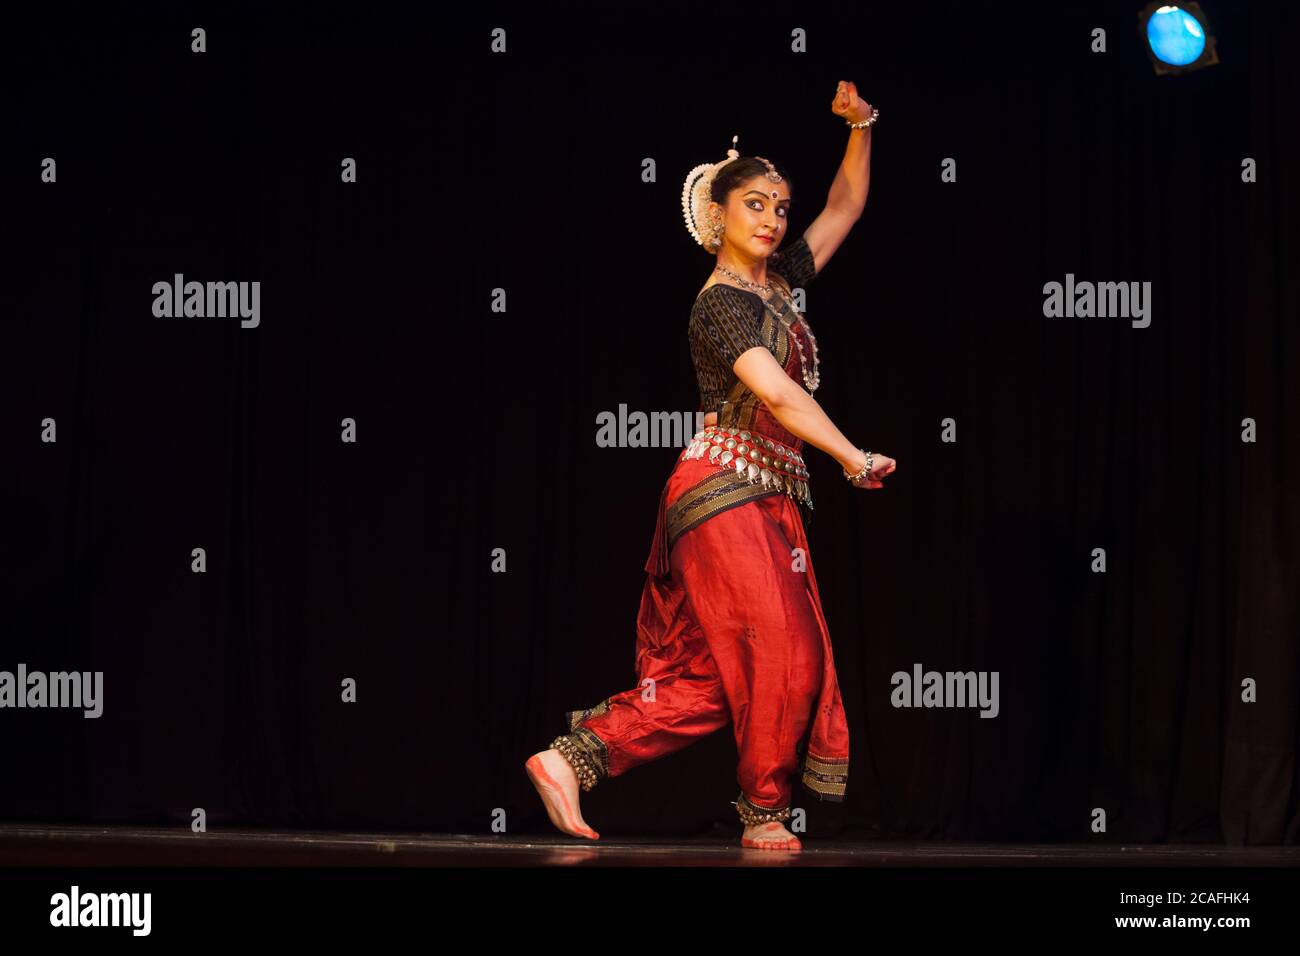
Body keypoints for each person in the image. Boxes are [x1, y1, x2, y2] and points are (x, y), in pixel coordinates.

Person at [526, 81, 897, 851]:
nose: (772, 218)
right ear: (717, 213)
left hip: (769, 498)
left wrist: (861, 125)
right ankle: (763, 808)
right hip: (723, 490)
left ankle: (572, 759)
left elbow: (847, 207)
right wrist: (851, 456)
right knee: (788, 652)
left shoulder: (784, 284)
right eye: (755, 203)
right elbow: (781, 396)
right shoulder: (719, 304)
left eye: (779, 206)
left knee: (720, 678)